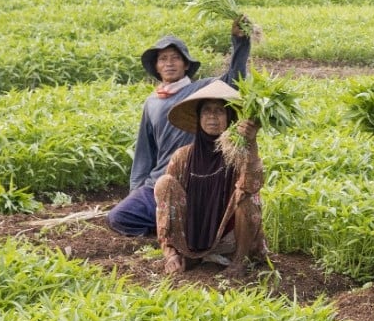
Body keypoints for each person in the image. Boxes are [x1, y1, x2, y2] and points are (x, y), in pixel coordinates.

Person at [106, 25, 250, 237]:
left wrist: (240, 41)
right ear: (156, 67)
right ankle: (170, 229)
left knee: (203, 223)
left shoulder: (202, 90)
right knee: (119, 217)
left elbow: (234, 79)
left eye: (175, 58)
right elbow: (145, 152)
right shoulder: (152, 103)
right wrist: (135, 190)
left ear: (185, 65)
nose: (169, 63)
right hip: (158, 182)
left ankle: (177, 228)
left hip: (194, 179)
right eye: (163, 59)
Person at [153, 80, 266, 276]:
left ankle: (239, 261)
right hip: (193, 235)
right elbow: (168, 199)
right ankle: (178, 253)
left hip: (231, 238)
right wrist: (171, 253)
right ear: (198, 118)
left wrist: (251, 143)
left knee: (248, 196)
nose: (212, 116)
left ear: (229, 117)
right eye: (206, 111)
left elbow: (253, 184)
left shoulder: (238, 153)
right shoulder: (183, 156)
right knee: (165, 183)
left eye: (219, 111)